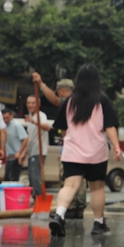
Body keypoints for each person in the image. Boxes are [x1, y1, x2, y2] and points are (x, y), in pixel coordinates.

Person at [48, 64, 122, 237]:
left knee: (70, 186)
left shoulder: (69, 101)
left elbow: (61, 128)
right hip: (96, 152)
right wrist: (117, 146)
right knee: (96, 188)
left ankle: (59, 215)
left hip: (73, 151)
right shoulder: (102, 100)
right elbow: (109, 126)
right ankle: (98, 224)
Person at [32, 74, 87, 218]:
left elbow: (55, 100)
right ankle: (77, 208)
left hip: (74, 146)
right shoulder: (83, 101)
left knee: (70, 179)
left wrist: (41, 84)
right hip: (82, 146)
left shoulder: (70, 101)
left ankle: (71, 207)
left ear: (62, 90)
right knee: (79, 178)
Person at [24, 95, 51, 201]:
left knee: (35, 177)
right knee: (31, 177)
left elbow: (47, 127)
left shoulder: (40, 115)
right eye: (28, 103)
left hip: (39, 151)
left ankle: (40, 198)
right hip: (32, 151)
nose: (30, 105)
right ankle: (36, 199)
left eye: (33, 103)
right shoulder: (31, 116)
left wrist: (33, 121)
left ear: (38, 105)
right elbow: (30, 138)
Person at [2, 109, 29, 182]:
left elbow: (25, 139)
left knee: (13, 178)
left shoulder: (16, 125)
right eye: (3, 118)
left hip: (16, 157)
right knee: (6, 179)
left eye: (7, 118)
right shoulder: (3, 126)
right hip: (8, 157)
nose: (5, 120)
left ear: (11, 116)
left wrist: (19, 152)